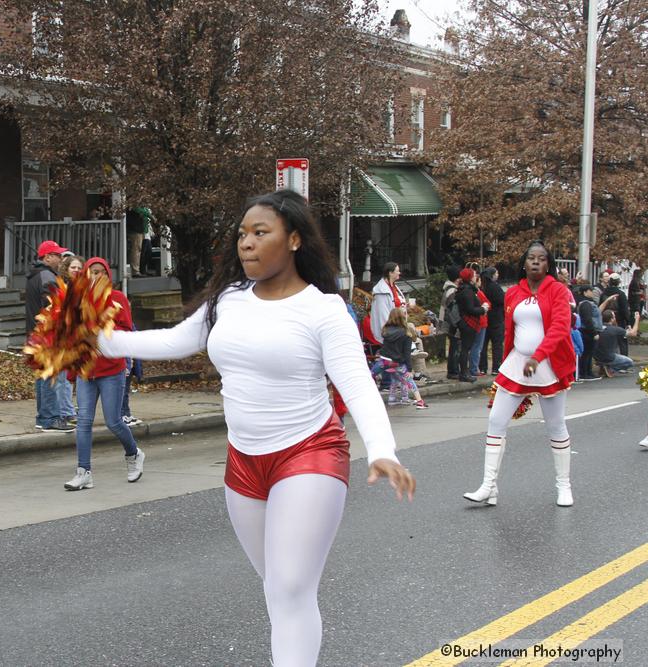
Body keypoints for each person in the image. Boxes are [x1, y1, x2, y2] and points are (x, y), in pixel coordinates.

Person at [95, 190, 414, 665]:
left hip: (308, 454)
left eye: (260, 233)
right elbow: (174, 340)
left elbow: (359, 386)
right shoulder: (229, 300)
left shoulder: (323, 310)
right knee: (278, 589)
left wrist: (382, 449)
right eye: (243, 234)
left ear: (294, 240)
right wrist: (97, 340)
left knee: (289, 589)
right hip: (243, 462)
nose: (246, 243)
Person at [464, 241, 576, 508]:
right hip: (517, 365)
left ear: (548, 264)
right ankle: (488, 487)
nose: (536, 262)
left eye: (541, 258)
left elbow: (561, 327)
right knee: (496, 420)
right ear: (524, 263)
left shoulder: (558, 291)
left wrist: (538, 356)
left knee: (556, 425)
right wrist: (506, 363)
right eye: (531, 258)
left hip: (547, 364)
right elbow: (508, 332)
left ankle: (564, 486)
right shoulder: (512, 293)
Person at [64, 257, 146, 491]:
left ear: (108, 276)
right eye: (92, 272)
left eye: (101, 272)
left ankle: (134, 454)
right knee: (84, 423)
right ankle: (83, 472)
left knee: (113, 421)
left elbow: (127, 330)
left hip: (111, 370)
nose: (96, 276)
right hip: (86, 372)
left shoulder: (118, 298)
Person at [26, 240, 75, 433]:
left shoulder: (35, 275)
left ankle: (43, 417)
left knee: (43, 377)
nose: (61, 259)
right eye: (57, 255)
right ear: (47, 257)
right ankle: (50, 419)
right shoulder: (47, 277)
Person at [371, 308, 429, 409]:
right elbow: (407, 353)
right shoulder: (406, 333)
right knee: (409, 381)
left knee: (369, 376)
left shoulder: (385, 330)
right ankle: (420, 402)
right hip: (397, 362)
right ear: (403, 318)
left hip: (384, 360)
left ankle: (391, 399)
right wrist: (410, 369)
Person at [54, 255, 85, 426]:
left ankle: (76, 410)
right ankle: (66, 412)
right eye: (73, 267)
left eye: (79, 267)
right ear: (66, 269)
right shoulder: (61, 287)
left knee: (79, 376)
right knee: (64, 378)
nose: (76, 270)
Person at [455, 268, 488, 382]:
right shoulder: (467, 291)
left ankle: (464, 372)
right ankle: (464, 373)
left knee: (466, 348)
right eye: (473, 275)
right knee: (465, 349)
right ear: (469, 278)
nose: (475, 277)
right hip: (468, 323)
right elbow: (470, 309)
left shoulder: (465, 289)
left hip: (466, 322)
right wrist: (483, 309)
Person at [593, 309, 639, 377]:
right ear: (611, 319)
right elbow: (633, 333)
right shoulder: (615, 329)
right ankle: (611, 369)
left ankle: (604, 366)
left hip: (596, 356)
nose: (615, 318)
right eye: (614, 317)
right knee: (629, 362)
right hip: (609, 356)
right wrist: (637, 319)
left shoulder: (597, 328)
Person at [370, 262, 406, 345]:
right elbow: (383, 316)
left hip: (398, 326)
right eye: (397, 271)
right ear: (390, 273)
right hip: (390, 330)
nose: (399, 273)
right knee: (408, 336)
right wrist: (392, 332)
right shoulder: (381, 292)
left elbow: (395, 303)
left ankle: (413, 352)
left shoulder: (393, 286)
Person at [576, 284, 605, 380]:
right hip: (588, 332)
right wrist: (594, 332)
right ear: (585, 292)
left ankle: (588, 371)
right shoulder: (585, 304)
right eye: (590, 290)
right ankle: (584, 373)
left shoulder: (588, 303)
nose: (592, 292)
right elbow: (587, 319)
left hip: (589, 331)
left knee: (589, 352)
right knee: (587, 352)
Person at [479, 267, 505, 376]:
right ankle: (496, 367)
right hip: (496, 319)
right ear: (493, 275)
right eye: (497, 273)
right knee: (497, 344)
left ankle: (482, 368)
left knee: (483, 345)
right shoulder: (495, 287)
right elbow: (503, 300)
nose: (498, 275)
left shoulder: (482, 286)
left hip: (484, 319)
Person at [440, 265, 462, 380]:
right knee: (455, 347)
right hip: (452, 323)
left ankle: (452, 370)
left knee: (453, 346)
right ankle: (453, 371)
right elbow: (453, 310)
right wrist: (458, 323)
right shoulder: (453, 290)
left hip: (447, 322)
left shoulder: (447, 288)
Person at [601, 273, 631, 356]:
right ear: (618, 282)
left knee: (607, 342)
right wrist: (628, 322)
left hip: (606, 320)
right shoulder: (620, 294)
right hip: (619, 320)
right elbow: (625, 309)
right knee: (622, 341)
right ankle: (624, 362)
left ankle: (604, 362)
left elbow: (601, 305)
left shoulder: (604, 293)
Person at [467, 271, 490, 376]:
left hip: (476, 322)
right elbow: (488, 303)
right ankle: (474, 368)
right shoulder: (478, 293)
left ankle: (473, 367)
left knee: (474, 346)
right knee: (477, 346)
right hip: (481, 322)